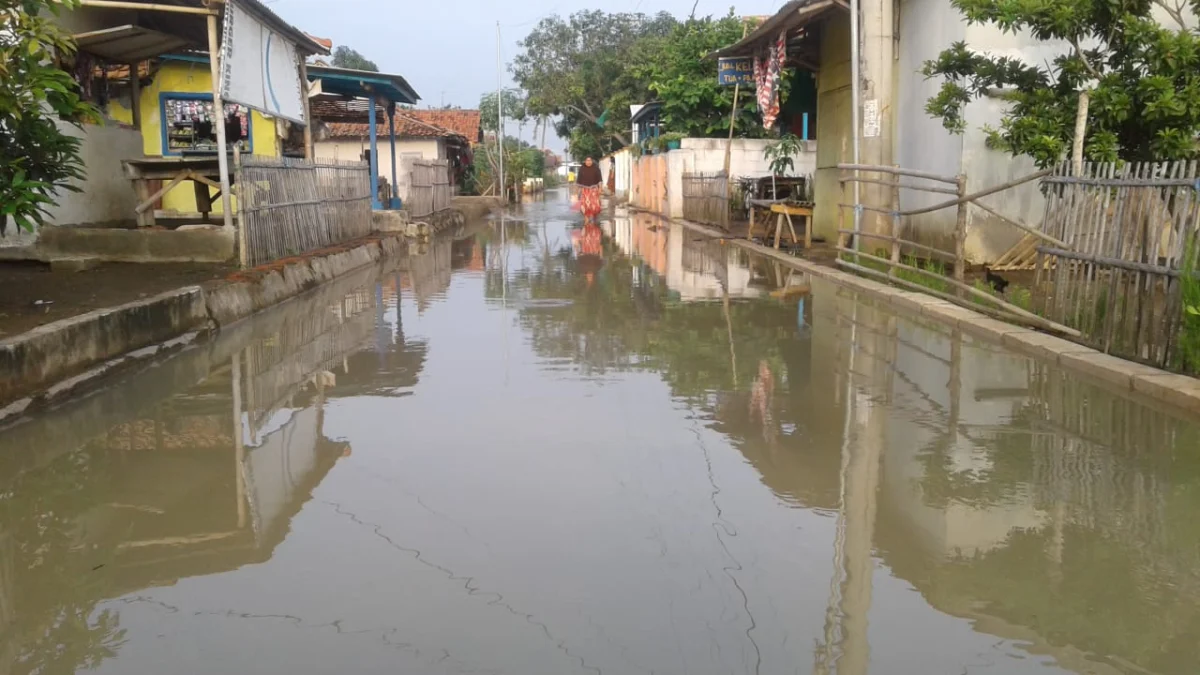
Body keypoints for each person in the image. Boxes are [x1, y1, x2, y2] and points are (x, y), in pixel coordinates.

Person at [576, 156, 604, 223]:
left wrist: (600, 188)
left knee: (594, 206)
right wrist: (578, 192)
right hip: (584, 190)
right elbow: (579, 180)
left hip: (594, 190)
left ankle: (594, 219)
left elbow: (599, 179)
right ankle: (586, 221)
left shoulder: (596, 169)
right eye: (587, 160)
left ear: (592, 161)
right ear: (585, 161)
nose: (588, 162)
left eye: (590, 160)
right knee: (585, 207)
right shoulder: (582, 169)